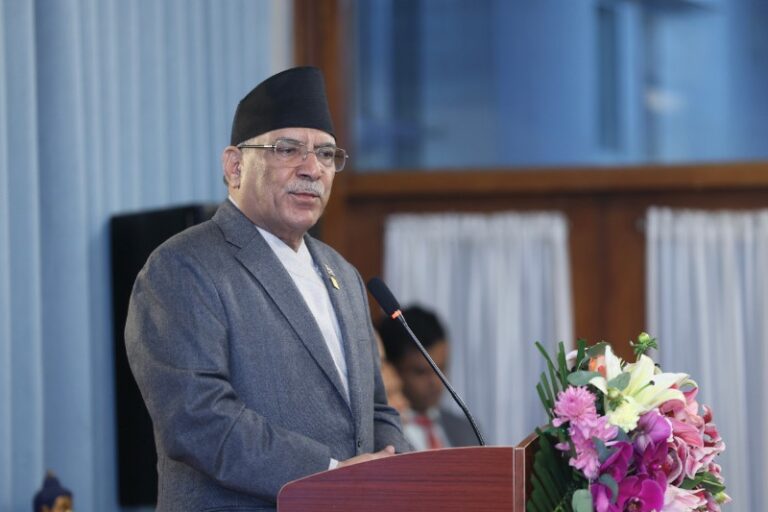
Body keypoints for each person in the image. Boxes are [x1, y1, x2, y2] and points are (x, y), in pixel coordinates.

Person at [125, 67, 409, 511]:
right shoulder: (183, 267)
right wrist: (333, 476)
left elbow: (377, 409)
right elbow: (197, 419)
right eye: (288, 149)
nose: (312, 169)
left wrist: (399, 472)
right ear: (235, 166)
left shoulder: (343, 274)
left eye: (326, 153)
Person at [378, 305, 478, 450]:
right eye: (421, 372)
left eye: (441, 368)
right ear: (392, 369)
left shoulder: (467, 429)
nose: (435, 381)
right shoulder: (380, 433)